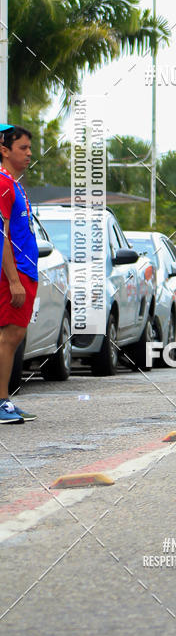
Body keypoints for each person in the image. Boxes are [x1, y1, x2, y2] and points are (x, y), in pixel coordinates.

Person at [0, 125, 38, 423]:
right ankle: (1, 402)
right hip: (15, 274)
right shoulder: (2, 183)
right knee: (9, 337)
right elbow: (1, 235)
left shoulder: (14, 184)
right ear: (4, 149)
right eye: (22, 148)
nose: (28, 153)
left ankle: (4, 401)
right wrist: (14, 280)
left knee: (14, 336)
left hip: (26, 271)